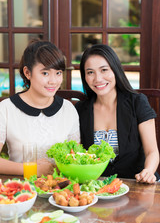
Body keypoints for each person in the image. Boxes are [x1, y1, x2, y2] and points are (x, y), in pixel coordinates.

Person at [75, 44, 160, 184]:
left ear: (115, 70)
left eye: (104, 70)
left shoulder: (137, 102)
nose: (98, 79)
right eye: (90, 72)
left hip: (137, 184)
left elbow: (152, 152)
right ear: (85, 77)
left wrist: (148, 171)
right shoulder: (80, 110)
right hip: (98, 187)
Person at [0, 39, 80, 177]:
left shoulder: (68, 109)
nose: (53, 81)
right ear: (27, 73)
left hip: (60, 191)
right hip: (22, 191)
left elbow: (75, 156)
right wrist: (32, 170)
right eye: (45, 73)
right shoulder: (6, 109)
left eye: (58, 73)